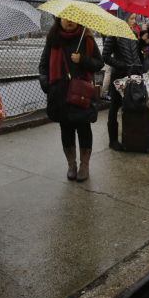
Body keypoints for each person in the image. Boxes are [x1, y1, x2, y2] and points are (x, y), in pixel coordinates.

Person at [38, 17, 104, 182]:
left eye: (72, 19)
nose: (69, 21)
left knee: (84, 130)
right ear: (59, 20)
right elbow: (43, 65)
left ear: (79, 21)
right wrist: (47, 84)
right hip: (60, 95)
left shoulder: (86, 39)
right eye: (65, 19)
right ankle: (71, 165)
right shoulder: (53, 39)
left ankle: (84, 165)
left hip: (81, 94)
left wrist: (82, 60)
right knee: (66, 130)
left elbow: (99, 63)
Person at [102, 12, 145, 151]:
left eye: (134, 18)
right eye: (131, 18)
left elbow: (136, 55)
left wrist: (139, 69)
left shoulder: (132, 33)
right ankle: (113, 140)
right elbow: (106, 56)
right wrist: (122, 65)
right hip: (119, 77)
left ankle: (132, 136)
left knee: (131, 106)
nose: (134, 21)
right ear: (123, 18)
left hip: (133, 76)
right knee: (114, 107)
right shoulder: (113, 34)